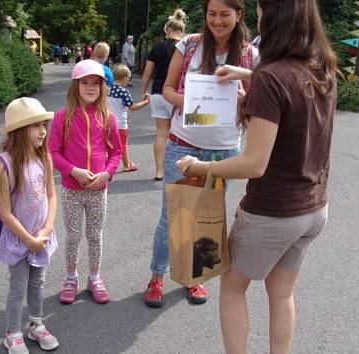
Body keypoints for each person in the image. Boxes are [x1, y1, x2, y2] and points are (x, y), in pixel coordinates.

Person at [177, 1, 337, 352]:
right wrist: (248, 76)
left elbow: (254, 164)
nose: (260, 17)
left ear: (275, 17)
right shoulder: (321, 68)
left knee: (233, 287)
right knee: (282, 293)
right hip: (313, 210)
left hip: (273, 211)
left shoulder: (272, 76)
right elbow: (291, 96)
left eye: (263, 10)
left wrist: (201, 167)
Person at [143, 0, 259, 308]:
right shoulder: (189, 45)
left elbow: (260, 104)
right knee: (173, 215)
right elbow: (166, 89)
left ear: (239, 15)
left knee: (205, 216)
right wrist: (193, 100)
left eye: (224, 14)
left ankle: (194, 278)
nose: (217, 21)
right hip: (183, 143)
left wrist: (243, 99)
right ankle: (157, 276)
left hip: (224, 152)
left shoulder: (249, 55)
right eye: (212, 14)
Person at [48, 59, 122, 305]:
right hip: (71, 190)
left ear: (102, 87)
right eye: (85, 83)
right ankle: (71, 278)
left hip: (98, 190)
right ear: (75, 86)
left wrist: (107, 174)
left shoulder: (108, 117)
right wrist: (73, 171)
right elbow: (53, 152)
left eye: (95, 83)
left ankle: (95, 277)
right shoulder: (62, 117)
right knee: (73, 235)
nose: (90, 88)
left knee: (95, 235)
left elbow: (116, 153)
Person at [0, 97, 60, 353]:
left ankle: (36, 324)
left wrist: (45, 230)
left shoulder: (45, 158)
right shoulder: (4, 165)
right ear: (19, 131)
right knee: (18, 287)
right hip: (18, 239)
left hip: (40, 236)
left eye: (43, 125)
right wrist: (28, 239)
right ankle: (13, 333)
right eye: (35, 126)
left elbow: (52, 196)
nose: (42, 130)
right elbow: (5, 213)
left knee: (38, 284)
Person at [141, 9, 187, 181]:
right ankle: (180, 171)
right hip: (177, 96)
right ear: (182, 32)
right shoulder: (184, 48)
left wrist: (144, 91)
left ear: (166, 30)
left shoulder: (157, 47)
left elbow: (147, 72)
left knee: (161, 133)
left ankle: (159, 171)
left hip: (158, 95)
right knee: (181, 135)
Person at [108, 64, 149, 172]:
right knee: (123, 145)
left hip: (107, 122)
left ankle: (105, 165)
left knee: (108, 145)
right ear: (125, 78)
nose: (128, 81)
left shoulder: (106, 89)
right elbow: (132, 107)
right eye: (128, 79)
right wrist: (145, 102)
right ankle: (127, 165)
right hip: (120, 124)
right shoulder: (124, 92)